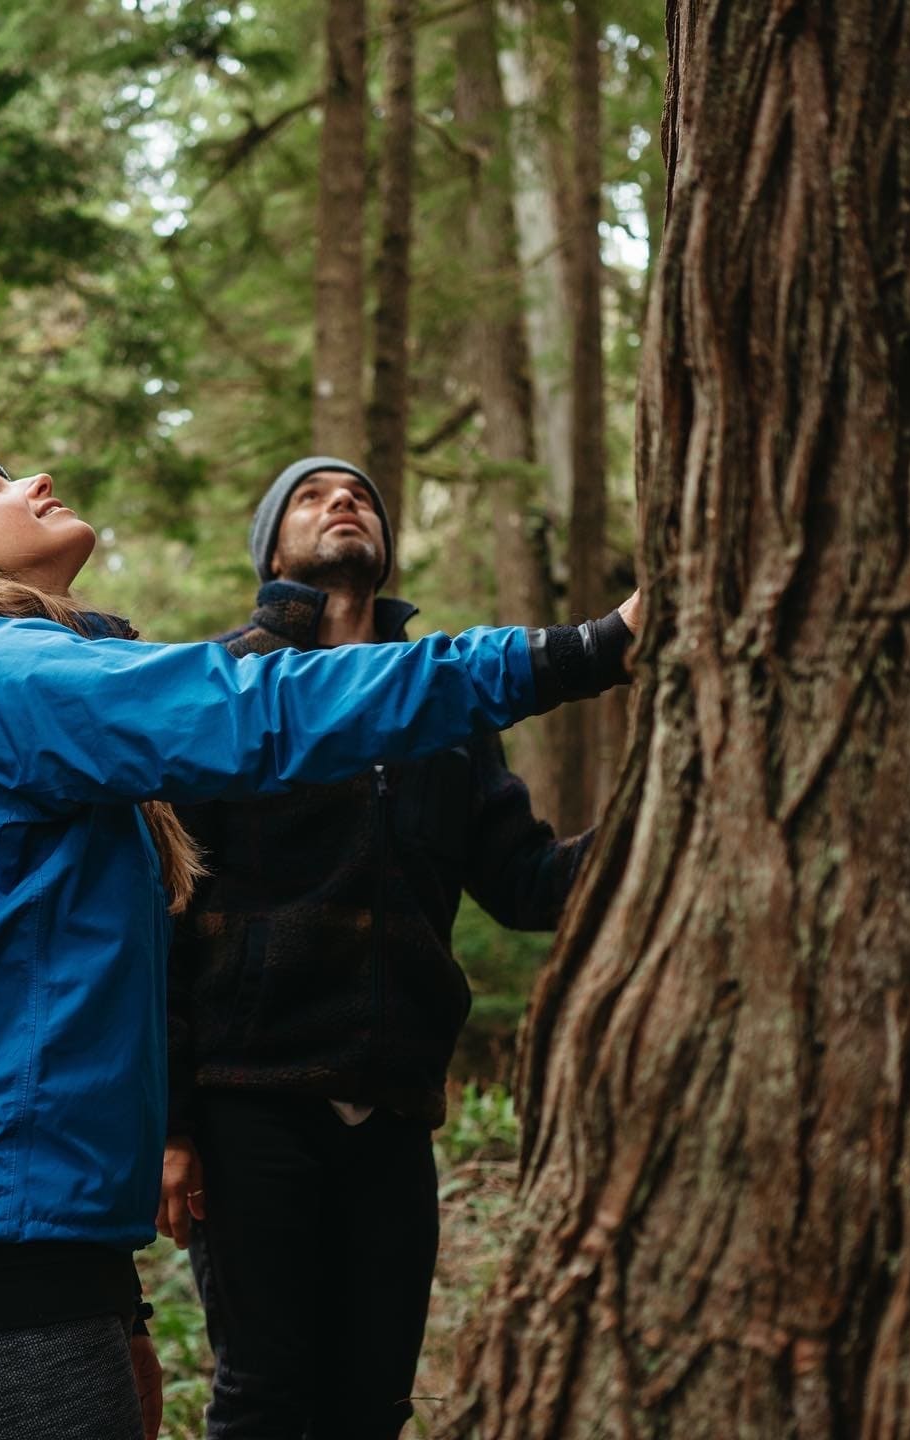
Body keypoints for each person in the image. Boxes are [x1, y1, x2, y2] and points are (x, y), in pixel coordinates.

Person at [0, 453, 639, 1440]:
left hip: (16, 1243)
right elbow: (264, 709)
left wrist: (117, 1301)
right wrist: (586, 650)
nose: (34, 477)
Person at [157, 456, 629, 1440]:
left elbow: (529, 886)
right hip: (253, 1097)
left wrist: (667, 814)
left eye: (362, 495)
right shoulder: (222, 686)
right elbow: (163, 918)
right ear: (271, 549)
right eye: (313, 497)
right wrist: (171, 1125)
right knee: (265, 1397)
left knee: (375, 1404)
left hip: (395, 1106)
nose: (345, 503)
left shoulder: (448, 721)